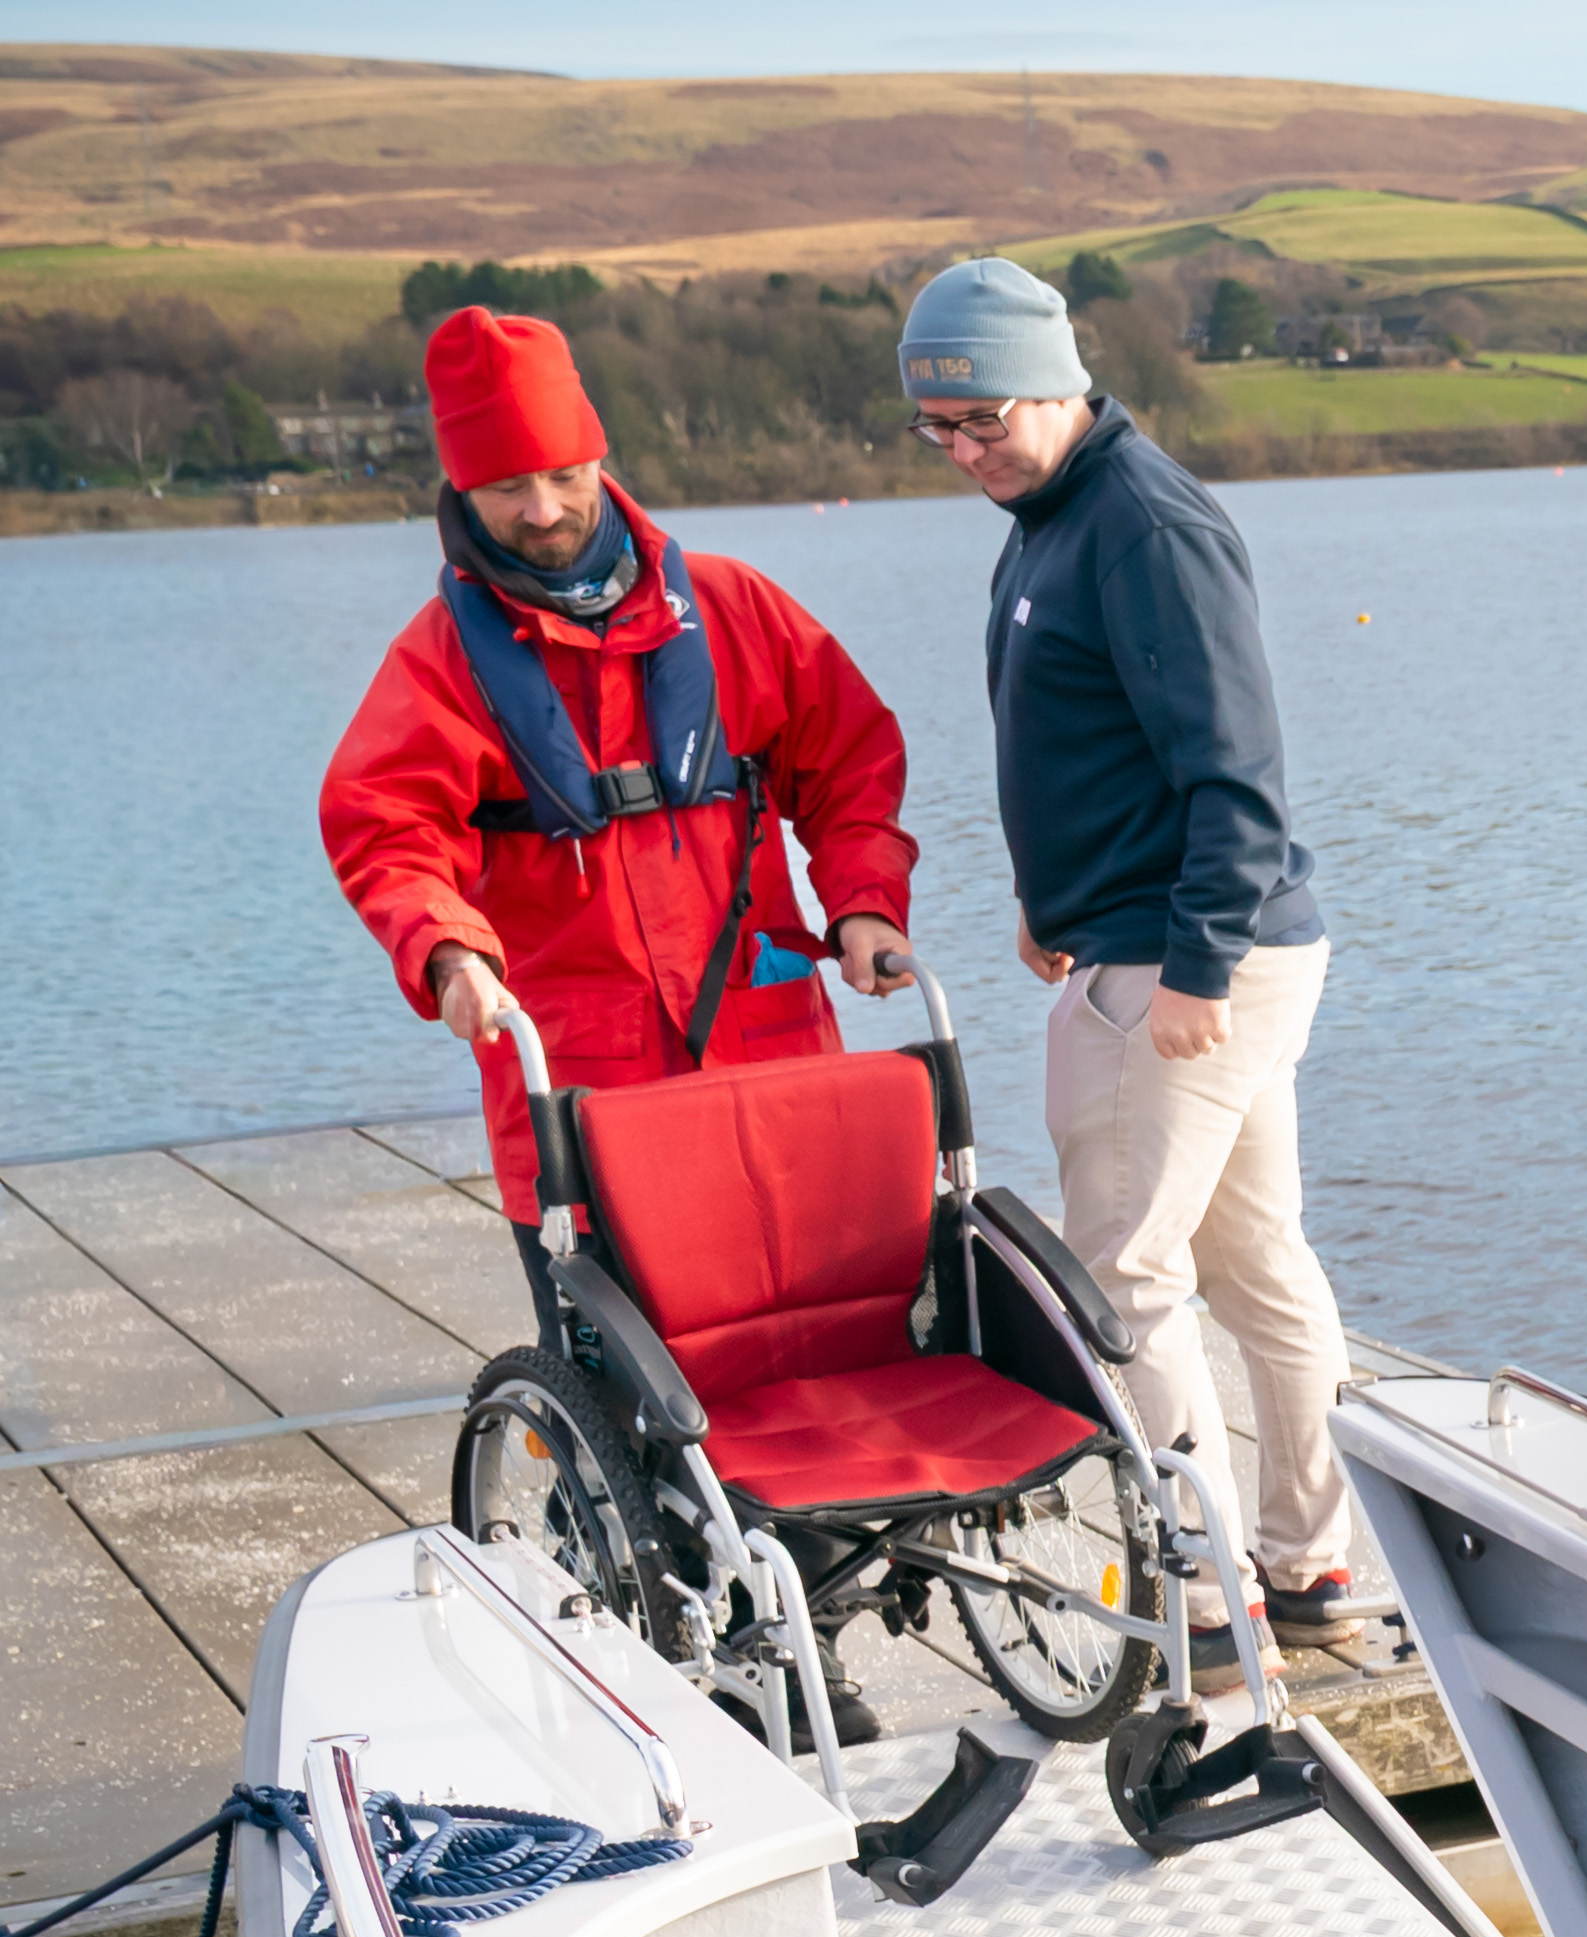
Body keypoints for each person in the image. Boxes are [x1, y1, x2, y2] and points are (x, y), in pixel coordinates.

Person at [894, 255, 1374, 1664]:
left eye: (986, 420)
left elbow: (1236, 768)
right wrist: (1051, 898)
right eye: (940, 430)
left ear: (1059, 380)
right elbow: (1094, 737)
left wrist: (1194, 969)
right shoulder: (1054, 510)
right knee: (1255, 1264)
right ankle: (1303, 1568)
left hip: (1179, 962)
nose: (967, 451)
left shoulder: (1141, 522)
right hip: (1142, 935)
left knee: (1126, 1283)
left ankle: (1206, 1600)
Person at [320, 303, 919, 1233]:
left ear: (599, 455)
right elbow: (383, 829)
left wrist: (866, 901)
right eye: (509, 487)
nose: (544, 510)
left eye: (564, 475)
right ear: (460, 485)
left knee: (834, 1339)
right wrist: (446, 955)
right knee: (626, 1369)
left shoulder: (733, 607)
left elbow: (852, 766)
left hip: (770, 1052)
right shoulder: (438, 662)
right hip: (581, 1086)